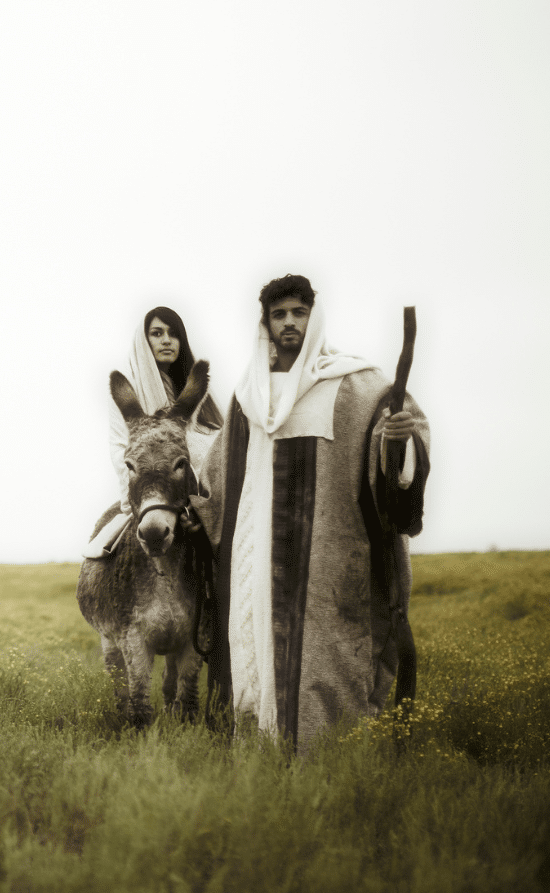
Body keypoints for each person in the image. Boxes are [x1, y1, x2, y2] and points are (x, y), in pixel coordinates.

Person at [193, 274, 429, 754]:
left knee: (328, 669)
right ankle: (261, 767)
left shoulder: (358, 387)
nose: (289, 323)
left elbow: (398, 463)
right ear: (266, 325)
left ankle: (331, 765)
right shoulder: (248, 398)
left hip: (328, 568)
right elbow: (216, 481)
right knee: (254, 659)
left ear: (313, 317)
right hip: (253, 570)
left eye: (298, 312)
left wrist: (399, 444)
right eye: (279, 315)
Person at [83, 306, 223, 559]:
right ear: (144, 341)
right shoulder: (130, 388)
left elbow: (216, 445)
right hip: (150, 488)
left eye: (173, 333)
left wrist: (201, 504)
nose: (167, 340)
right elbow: (119, 449)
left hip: (198, 493)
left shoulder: (201, 397)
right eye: (157, 333)